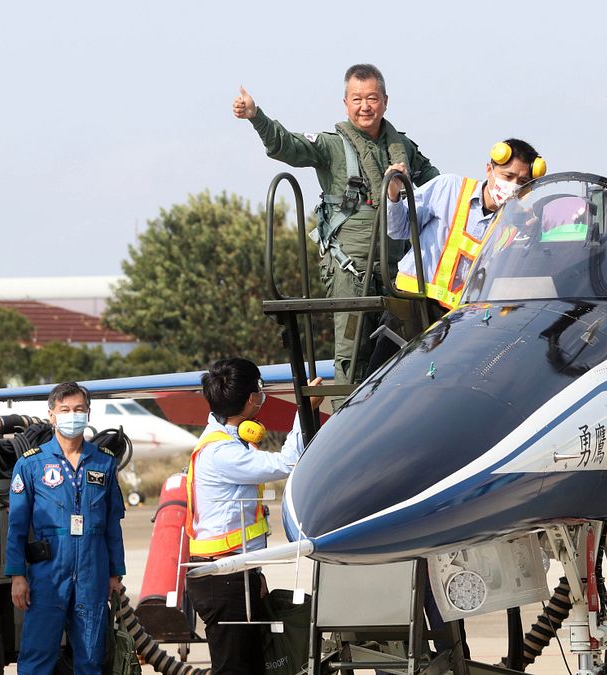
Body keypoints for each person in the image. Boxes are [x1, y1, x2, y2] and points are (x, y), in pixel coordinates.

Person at [234, 64, 440, 387]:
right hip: (350, 270)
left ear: (385, 101)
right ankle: (347, 411)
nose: (365, 106)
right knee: (352, 354)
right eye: (357, 99)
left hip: (398, 270)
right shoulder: (331, 146)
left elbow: (438, 188)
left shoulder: (403, 149)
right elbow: (287, 145)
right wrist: (256, 116)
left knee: (404, 352)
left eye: (372, 98)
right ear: (346, 104)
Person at [185, 359, 323, 675]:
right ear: (251, 399)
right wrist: (304, 412)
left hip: (235, 573)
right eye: (260, 390)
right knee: (233, 669)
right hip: (223, 577)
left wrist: (254, 573)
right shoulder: (222, 453)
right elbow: (287, 463)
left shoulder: (227, 441)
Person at [369, 139, 544, 370]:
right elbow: (398, 228)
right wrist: (393, 195)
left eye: (521, 182)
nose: (512, 186)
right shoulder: (449, 189)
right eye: (507, 176)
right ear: (489, 169)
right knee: (381, 379)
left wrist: (532, 236)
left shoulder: (518, 223)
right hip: (411, 306)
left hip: (460, 322)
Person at [6, 382, 126, 675]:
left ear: (88, 413)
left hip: (92, 574)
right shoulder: (31, 464)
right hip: (47, 575)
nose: (73, 415)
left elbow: (112, 524)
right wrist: (17, 576)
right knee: (36, 659)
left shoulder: (104, 462)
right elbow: (17, 526)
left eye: (79, 409)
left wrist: (115, 574)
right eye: (65, 410)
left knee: (91, 659)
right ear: (51, 415)